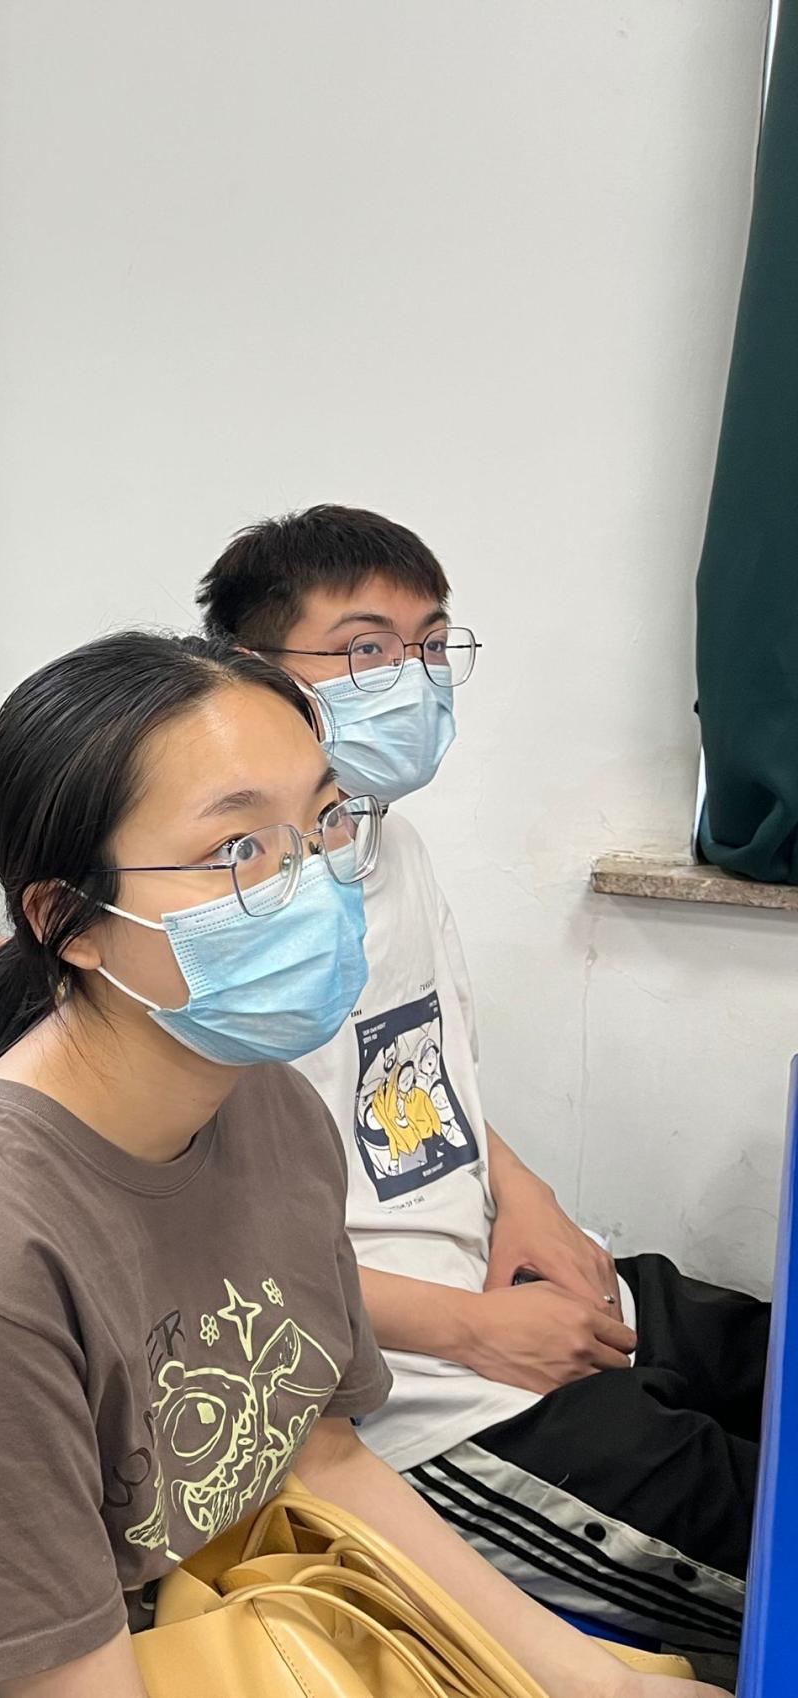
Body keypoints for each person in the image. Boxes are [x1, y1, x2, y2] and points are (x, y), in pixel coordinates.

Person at [0, 631, 721, 1698]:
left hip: (247, 1603)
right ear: (70, 924)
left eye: (327, 822)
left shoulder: (271, 1108)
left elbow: (322, 1458)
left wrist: (600, 1684)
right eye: (238, 847)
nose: (314, 884)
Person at [200, 504, 767, 1650]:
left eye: (428, 644)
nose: (409, 680)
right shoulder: (224, 927)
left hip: (496, 1273)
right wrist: (470, 1332)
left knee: (768, 1354)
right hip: (417, 1401)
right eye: (365, 648)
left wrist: (525, 1197)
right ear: (250, 671)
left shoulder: (385, 841)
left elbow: (405, 1074)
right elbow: (201, 1269)